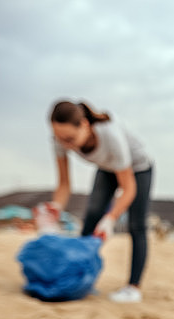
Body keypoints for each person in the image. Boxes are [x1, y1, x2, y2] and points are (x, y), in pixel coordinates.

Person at [40, 100, 153, 303]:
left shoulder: (111, 136)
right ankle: (81, 278)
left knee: (136, 225)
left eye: (70, 139)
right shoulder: (60, 140)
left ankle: (132, 288)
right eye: (59, 139)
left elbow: (128, 189)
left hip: (138, 168)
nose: (65, 145)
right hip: (108, 167)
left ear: (84, 125)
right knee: (92, 214)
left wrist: (111, 218)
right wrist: (56, 208)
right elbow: (64, 184)